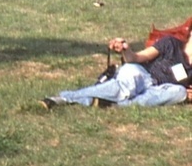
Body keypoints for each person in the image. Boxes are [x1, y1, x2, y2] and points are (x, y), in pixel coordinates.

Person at [43, 31, 190, 109]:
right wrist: (126, 50)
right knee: (127, 87)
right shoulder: (171, 43)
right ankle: (65, 98)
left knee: (180, 92)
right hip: (141, 73)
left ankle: (107, 102)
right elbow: (138, 57)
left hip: (158, 89)